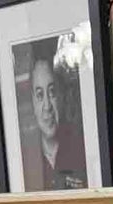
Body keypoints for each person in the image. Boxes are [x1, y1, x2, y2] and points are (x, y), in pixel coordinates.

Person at [22, 50, 86, 191]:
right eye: (40, 95)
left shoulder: (83, 149)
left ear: (62, 95)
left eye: (52, 92)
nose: (47, 106)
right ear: (32, 102)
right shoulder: (24, 161)